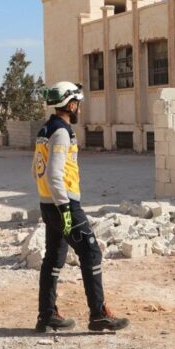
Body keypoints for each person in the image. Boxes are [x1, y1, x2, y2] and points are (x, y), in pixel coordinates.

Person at [33, 81, 129, 333]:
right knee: (91, 253)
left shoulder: (46, 128)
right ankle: (98, 315)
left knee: (53, 258)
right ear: (70, 104)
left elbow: (37, 169)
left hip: (48, 204)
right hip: (63, 205)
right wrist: (65, 208)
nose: (79, 109)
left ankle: (47, 315)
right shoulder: (61, 132)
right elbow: (54, 173)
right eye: (77, 104)